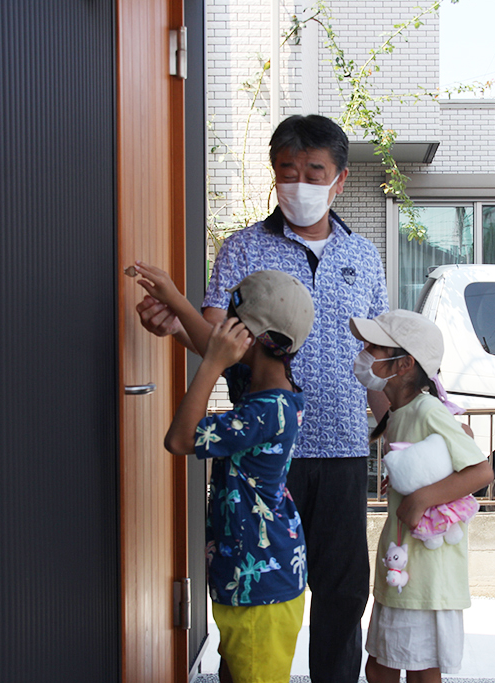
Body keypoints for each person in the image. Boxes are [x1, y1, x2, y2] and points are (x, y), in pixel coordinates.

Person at [136, 114, 389, 683]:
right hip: (262, 459)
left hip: (344, 450)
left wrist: (399, 429)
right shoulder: (242, 248)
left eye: (313, 170)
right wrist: (178, 320)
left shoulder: (364, 255)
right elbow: (213, 340)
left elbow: (375, 359)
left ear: (340, 179)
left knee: (343, 595)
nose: (298, 181)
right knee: (252, 593)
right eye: (286, 169)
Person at [143, 266, 315, 683]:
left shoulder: (263, 412)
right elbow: (213, 347)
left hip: (258, 587)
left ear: (247, 339)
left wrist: (210, 365)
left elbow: (181, 440)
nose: (217, 330)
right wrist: (177, 304)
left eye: (227, 325)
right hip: (259, 574)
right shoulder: (267, 385)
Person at [349, 309, 493, 683]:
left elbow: (481, 470)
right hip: (406, 570)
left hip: (424, 576)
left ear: (404, 363)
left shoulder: (428, 409)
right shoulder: (400, 413)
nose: (364, 352)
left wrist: (422, 498)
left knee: (404, 668)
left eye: (375, 347)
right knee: (390, 665)